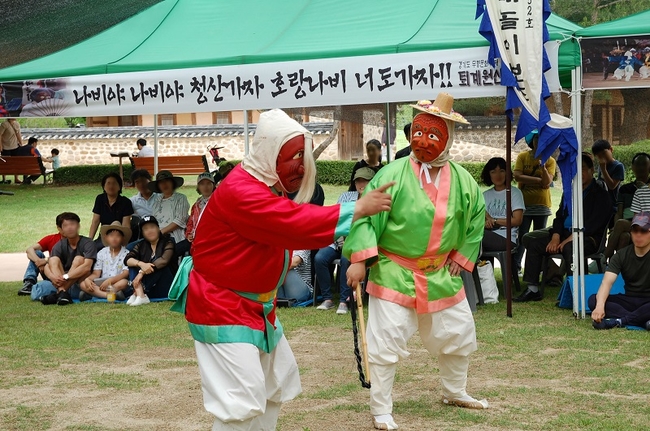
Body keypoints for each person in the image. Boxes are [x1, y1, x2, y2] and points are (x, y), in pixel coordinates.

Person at [170, 108, 393, 430]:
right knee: (240, 397)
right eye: (296, 156)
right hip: (222, 304)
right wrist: (356, 208)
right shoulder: (241, 190)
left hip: (257, 305)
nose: (302, 166)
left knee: (275, 383)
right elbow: (290, 221)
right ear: (271, 150)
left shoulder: (260, 186)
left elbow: (279, 223)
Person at [344, 95, 487, 431]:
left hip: (440, 272)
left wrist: (462, 257)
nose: (424, 141)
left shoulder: (464, 181)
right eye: (420, 132)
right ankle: (381, 409)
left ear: (448, 136)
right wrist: (360, 260)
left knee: (457, 332)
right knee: (385, 340)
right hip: (395, 271)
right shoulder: (391, 175)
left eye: (434, 134)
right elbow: (365, 217)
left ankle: (455, 390)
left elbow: (476, 219)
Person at [516, 154, 613, 302]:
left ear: (592, 170)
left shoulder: (600, 194)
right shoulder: (570, 192)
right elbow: (560, 216)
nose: (579, 173)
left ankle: (576, 291)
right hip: (564, 234)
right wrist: (555, 236)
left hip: (588, 237)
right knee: (535, 244)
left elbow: (594, 224)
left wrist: (569, 239)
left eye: (583, 169)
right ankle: (532, 288)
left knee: (570, 248)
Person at [315, 166, 376, 314]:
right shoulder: (346, 197)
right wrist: (339, 240)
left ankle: (343, 300)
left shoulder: (374, 201)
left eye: (365, 181)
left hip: (357, 244)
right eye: (358, 181)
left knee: (345, 259)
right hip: (338, 241)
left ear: (373, 182)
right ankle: (327, 298)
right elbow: (337, 219)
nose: (361, 185)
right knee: (319, 258)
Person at [590, 212, 650, 330]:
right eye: (635, 230)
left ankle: (619, 321)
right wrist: (599, 306)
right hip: (629, 300)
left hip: (648, 301)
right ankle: (642, 321)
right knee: (593, 300)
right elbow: (607, 283)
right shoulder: (621, 255)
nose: (638, 235)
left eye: (643, 231)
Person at [513, 130, 556, 271]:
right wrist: (537, 179)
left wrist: (542, 167)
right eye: (536, 138)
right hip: (524, 204)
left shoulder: (550, 161)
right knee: (522, 236)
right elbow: (517, 176)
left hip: (542, 205)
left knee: (539, 238)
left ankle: (538, 268)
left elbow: (547, 183)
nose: (539, 141)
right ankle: (517, 266)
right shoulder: (523, 157)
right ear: (532, 141)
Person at [39, 212, 97, 306]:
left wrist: (66, 276)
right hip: (61, 281)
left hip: (80, 281)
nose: (69, 228)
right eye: (65, 225)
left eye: (72, 224)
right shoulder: (60, 245)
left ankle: (59, 293)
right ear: (61, 230)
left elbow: (87, 267)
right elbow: (48, 265)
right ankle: (63, 293)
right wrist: (52, 277)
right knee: (53, 260)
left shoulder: (88, 243)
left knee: (78, 259)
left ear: (78, 226)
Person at [604, 152, 650, 258]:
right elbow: (619, 212)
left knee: (620, 224)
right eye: (638, 165)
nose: (641, 168)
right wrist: (615, 228)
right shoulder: (625, 189)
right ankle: (619, 267)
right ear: (633, 168)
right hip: (628, 224)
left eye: (644, 164)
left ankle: (605, 257)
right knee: (624, 236)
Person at [124, 215, 176, 306]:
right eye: (146, 229)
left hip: (165, 287)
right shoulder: (141, 245)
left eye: (152, 227)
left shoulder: (168, 242)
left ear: (158, 228)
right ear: (143, 233)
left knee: (160, 266)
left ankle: (137, 293)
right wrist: (140, 264)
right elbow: (127, 259)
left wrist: (141, 272)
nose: (150, 231)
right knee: (133, 263)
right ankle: (139, 294)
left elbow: (164, 261)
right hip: (149, 289)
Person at [481, 157, 525, 252]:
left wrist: (494, 220)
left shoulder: (515, 193)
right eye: (493, 172)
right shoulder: (485, 195)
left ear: (507, 173)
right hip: (488, 234)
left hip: (506, 238)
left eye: (501, 171)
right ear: (489, 175)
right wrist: (486, 223)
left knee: (476, 236)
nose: (498, 175)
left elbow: (517, 220)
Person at [79, 221, 130, 301]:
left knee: (124, 282)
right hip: (102, 284)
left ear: (122, 238)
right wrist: (88, 279)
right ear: (106, 237)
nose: (114, 238)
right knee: (83, 284)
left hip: (116, 282)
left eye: (118, 236)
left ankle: (93, 294)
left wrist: (109, 281)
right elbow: (96, 273)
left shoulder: (126, 253)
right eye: (111, 235)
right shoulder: (102, 253)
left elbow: (125, 273)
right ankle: (110, 295)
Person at [18, 214, 64, 297]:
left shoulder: (75, 241)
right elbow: (30, 250)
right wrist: (38, 262)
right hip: (50, 272)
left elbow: (65, 258)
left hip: (64, 273)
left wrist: (45, 260)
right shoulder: (52, 239)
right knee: (37, 253)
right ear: (59, 228)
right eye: (66, 226)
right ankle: (29, 283)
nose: (70, 228)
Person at [88, 173, 135, 250]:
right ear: (104, 186)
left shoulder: (125, 202)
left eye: (114, 183)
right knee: (93, 250)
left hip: (119, 237)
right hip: (104, 236)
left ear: (119, 186)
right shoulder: (100, 199)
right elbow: (95, 221)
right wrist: (89, 241)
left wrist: (122, 242)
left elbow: (126, 225)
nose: (111, 186)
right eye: (108, 183)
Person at [148, 170, 190, 257]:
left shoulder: (180, 198)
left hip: (173, 236)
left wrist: (161, 232)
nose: (164, 184)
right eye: (161, 182)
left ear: (172, 183)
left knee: (159, 255)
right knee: (132, 249)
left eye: (167, 181)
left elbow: (180, 220)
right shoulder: (157, 200)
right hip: (156, 236)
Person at [592, 139, 625, 208]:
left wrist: (604, 170)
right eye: (599, 156)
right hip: (602, 203)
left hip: (613, 204)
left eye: (604, 153)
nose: (602, 157)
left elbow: (612, 186)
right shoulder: (601, 166)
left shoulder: (618, 166)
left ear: (611, 149)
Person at [186, 172, 216, 244]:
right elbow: (191, 222)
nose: (205, 187)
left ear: (213, 185)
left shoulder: (218, 201)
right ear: (198, 187)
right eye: (202, 184)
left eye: (208, 183)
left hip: (213, 237)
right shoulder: (196, 205)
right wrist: (189, 234)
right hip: (197, 238)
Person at [0, 118, 23, 184]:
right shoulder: (4, 124)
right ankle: (4, 178)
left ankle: (16, 178)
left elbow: (18, 134)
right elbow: (0, 135)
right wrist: (0, 146)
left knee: (16, 162)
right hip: (5, 146)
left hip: (15, 146)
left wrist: (21, 143)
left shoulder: (17, 124)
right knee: (5, 163)